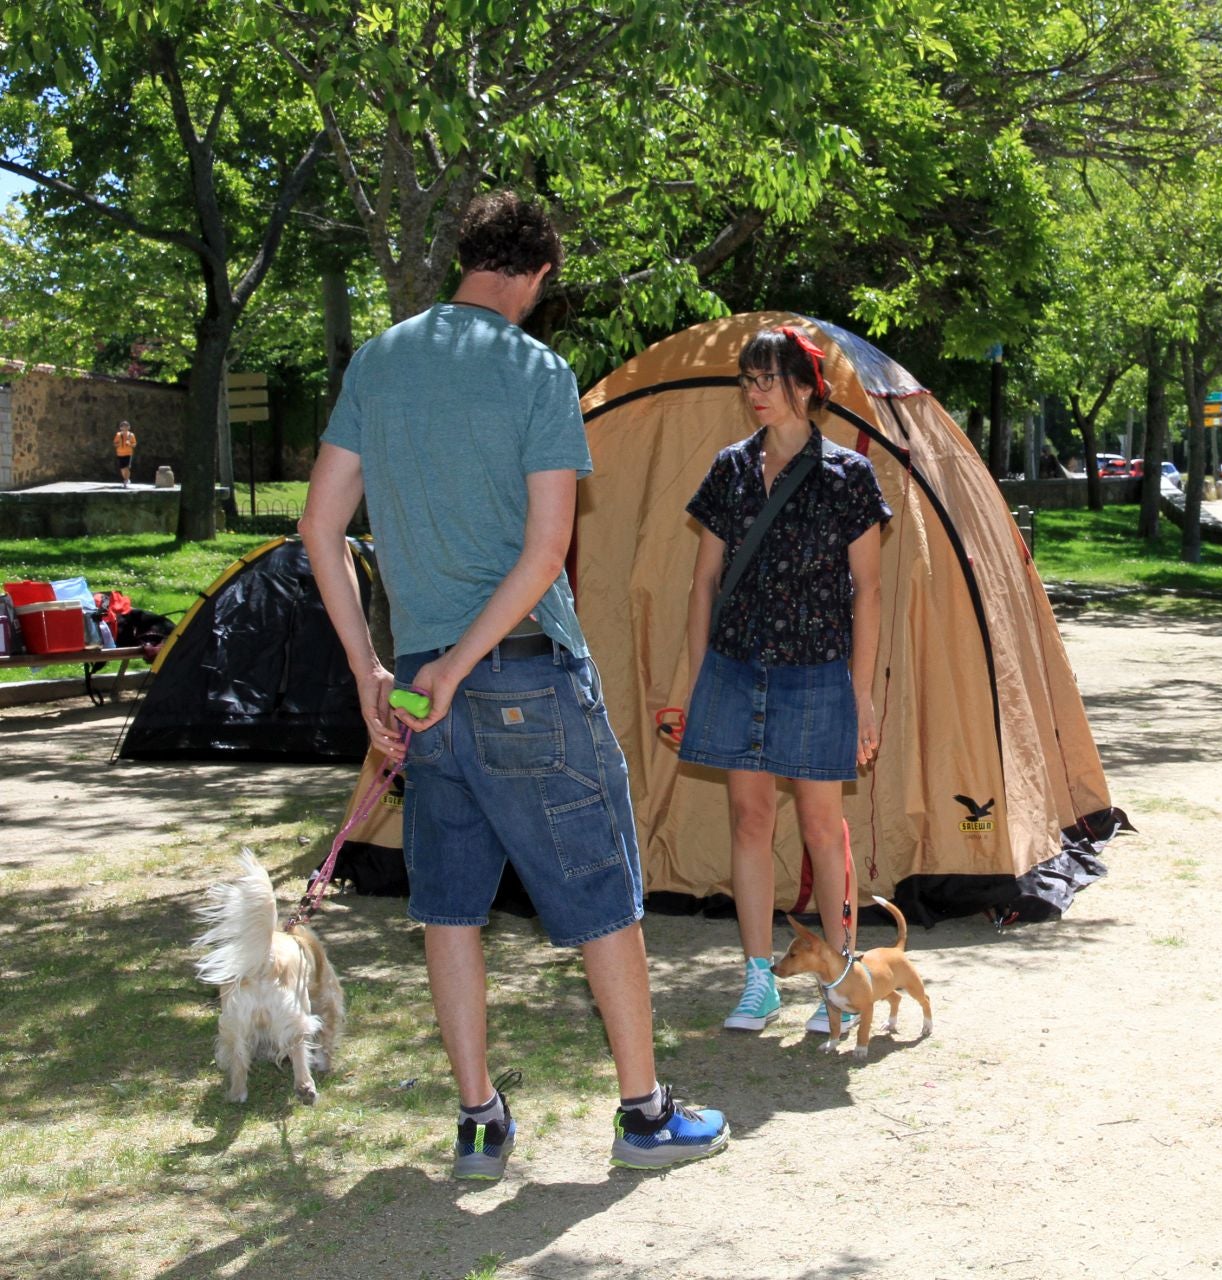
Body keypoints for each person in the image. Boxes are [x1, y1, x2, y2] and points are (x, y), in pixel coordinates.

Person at [300, 190, 725, 1181]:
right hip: (523, 674)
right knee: (604, 896)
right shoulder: (537, 370)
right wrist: (461, 662)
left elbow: (320, 527)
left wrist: (379, 666)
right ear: (535, 275)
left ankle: (480, 1119)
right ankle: (644, 1113)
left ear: (467, 257)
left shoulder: (380, 358)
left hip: (416, 691)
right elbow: (545, 553)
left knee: (448, 905)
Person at [679, 326, 889, 1039]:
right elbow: (704, 581)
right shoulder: (729, 470)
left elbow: (868, 593)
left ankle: (839, 980)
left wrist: (861, 696)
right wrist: (699, 676)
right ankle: (758, 979)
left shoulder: (849, 478)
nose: (755, 393)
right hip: (737, 669)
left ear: (806, 386)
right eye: (748, 380)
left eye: (768, 379)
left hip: (818, 674)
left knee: (824, 830)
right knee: (750, 820)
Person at [113, 421, 136, 487]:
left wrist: (130, 444)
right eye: (123, 426)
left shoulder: (131, 435)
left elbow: (134, 444)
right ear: (121, 427)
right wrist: (118, 444)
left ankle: (126, 481)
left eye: (126, 426)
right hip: (120, 454)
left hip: (128, 453)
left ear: (129, 427)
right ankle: (126, 479)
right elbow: (114, 443)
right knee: (122, 469)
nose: (125, 427)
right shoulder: (118, 435)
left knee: (127, 467)